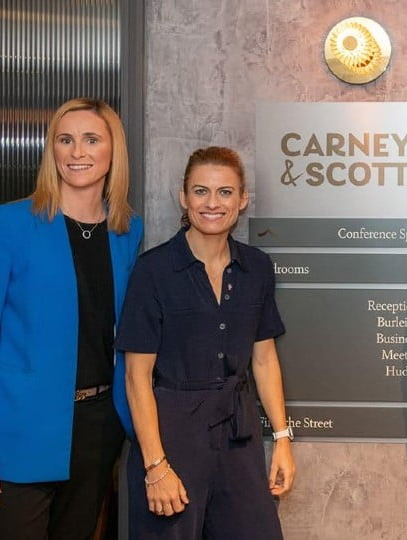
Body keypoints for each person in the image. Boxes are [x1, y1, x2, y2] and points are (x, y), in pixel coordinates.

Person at [0, 98, 144, 539]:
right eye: (65, 140)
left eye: (91, 140)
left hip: (96, 433)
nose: (77, 152)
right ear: (51, 150)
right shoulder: (5, 225)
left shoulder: (126, 232)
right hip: (15, 435)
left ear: (113, 152)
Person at [116, 146, 295, 539]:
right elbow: (136, 376)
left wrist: (282, 439)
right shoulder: (154, 270)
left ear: (242, 199)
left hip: (238, 435)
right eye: (200, 191)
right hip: (171, 438)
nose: (212, 203)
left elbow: (263, 359)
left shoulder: (257, 267)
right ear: (184, 198)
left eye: (225, 192)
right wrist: (155, 466)